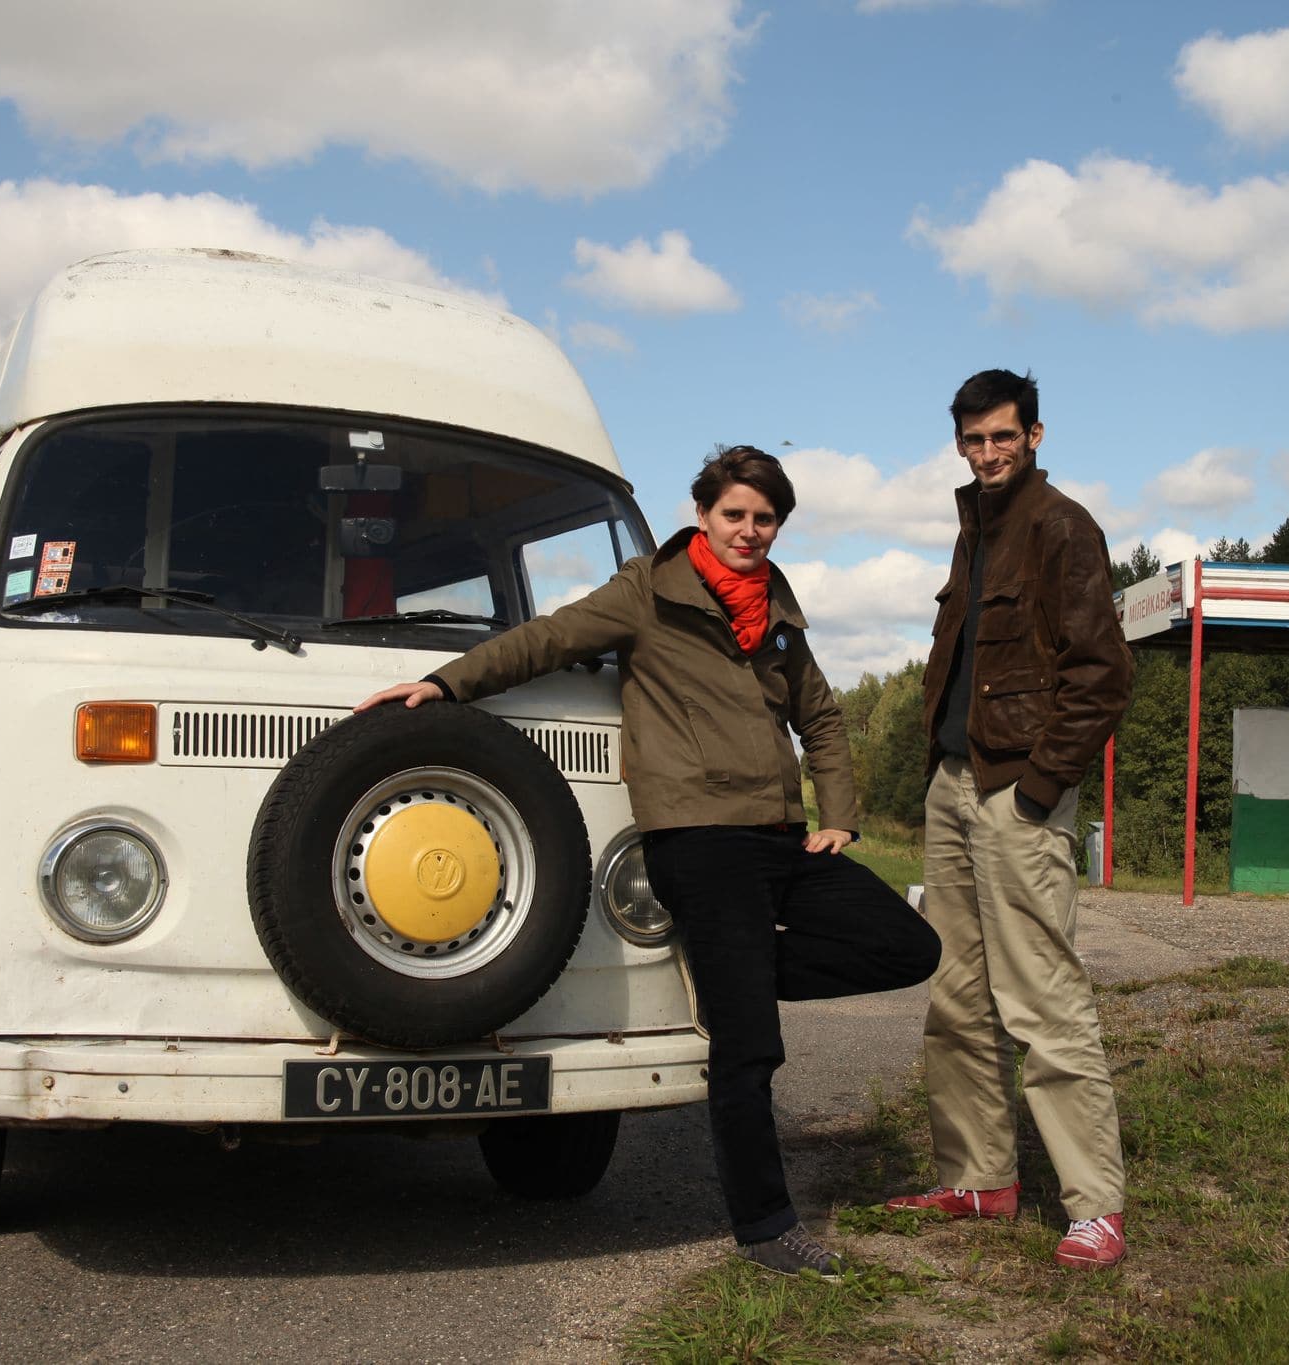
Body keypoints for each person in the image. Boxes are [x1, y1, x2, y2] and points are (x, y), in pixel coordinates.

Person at [359, 445, 940, 1280]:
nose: (749, 530)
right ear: (703, 513)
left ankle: (727, 968)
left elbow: (821, 716)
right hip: (699, 840)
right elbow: (547, 638)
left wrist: (840, 816)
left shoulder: (777, 605)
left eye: (765, 517)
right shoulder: (647, 592)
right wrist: (445, 685)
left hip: (782, 834)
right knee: (751, 1048)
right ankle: (768, 1226)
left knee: (908, 944)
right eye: (735, 514)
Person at [885, 369, 1137, 1270]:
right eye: (973, 439)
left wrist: (1038, 789)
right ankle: (979, 1177)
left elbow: (1101, 675)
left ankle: (1095, 1205)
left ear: (1035, 435)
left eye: (1002, 436)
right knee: (954, 995)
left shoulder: (1062, 526)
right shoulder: (973, 529)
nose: (987, 452)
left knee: (1041, 998)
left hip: (1013, 792)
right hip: (951, 786)